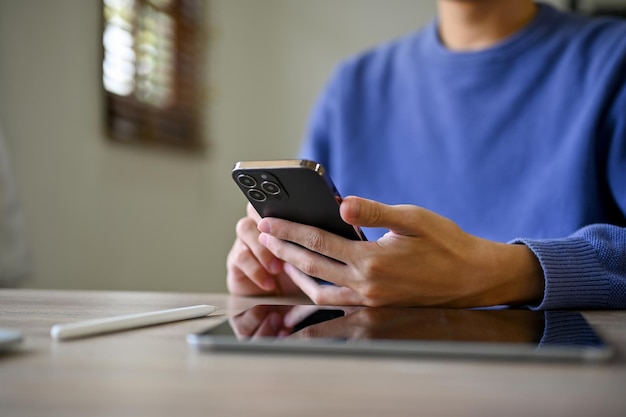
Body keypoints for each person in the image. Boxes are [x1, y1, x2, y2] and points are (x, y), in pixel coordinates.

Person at [226, 0, 626, 310]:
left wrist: (499, 273)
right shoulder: (352, 85)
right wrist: (287, 271)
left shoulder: (614, 60)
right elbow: (322, 259)